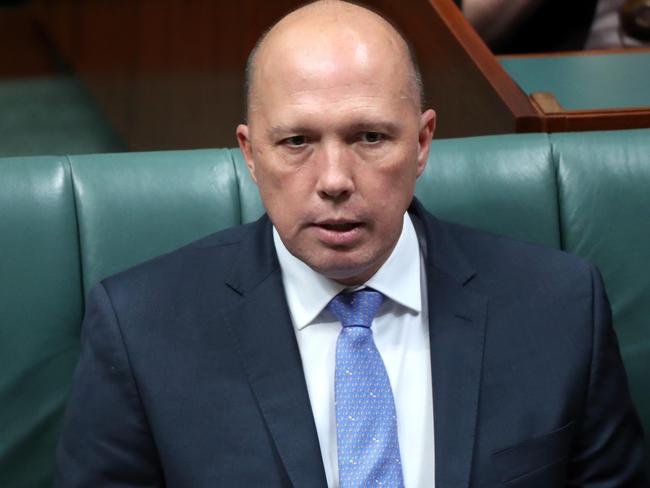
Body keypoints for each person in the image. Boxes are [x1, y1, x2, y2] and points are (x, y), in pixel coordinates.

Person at [54, 1, 648, 486]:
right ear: (250, 154)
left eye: (369, 137)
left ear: (421, 143)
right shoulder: (141, 330)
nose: (335, 180)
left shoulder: (562, 308)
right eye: (296, 142)